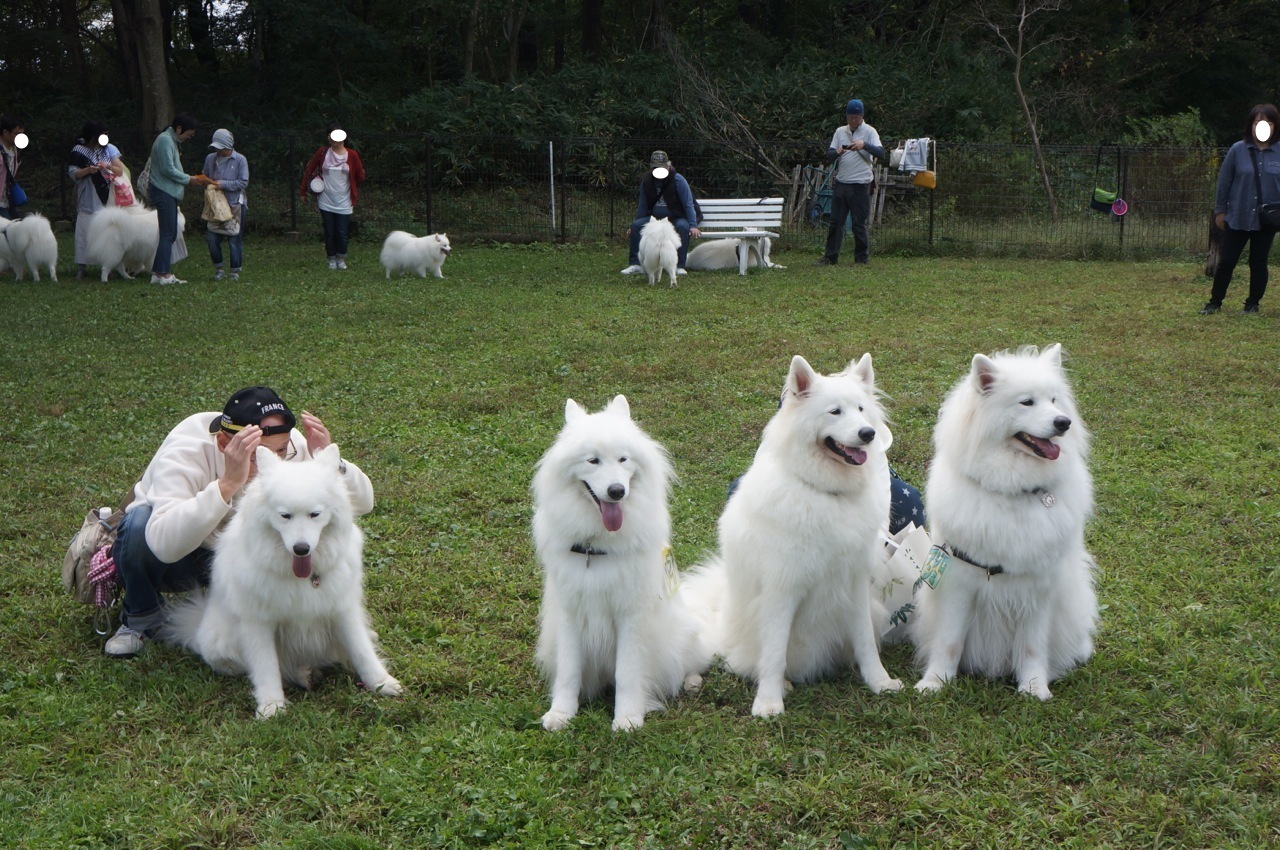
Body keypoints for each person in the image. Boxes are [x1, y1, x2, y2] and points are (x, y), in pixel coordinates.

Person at [103, 387, 376, 657]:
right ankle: (139, 619)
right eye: (256, 455)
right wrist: (227, 484)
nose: (275, 461)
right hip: (180, 559)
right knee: (138, 524)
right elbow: (163, 545)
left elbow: (364, 503)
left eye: (281, 450)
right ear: (224, 443)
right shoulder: (187, 449)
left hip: (239, 561)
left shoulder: (287, 444)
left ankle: (289, 622)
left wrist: (330, 463)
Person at [1202, 103, 1280, 315]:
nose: (1263, 126)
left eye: (1268, 122)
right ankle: (1214, 302)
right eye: (1258, 122)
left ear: (1274, 126)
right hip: (1238, 215)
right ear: (1251, 125)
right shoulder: (1238, 150)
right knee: (1227, 261)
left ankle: (1252, 303)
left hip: (1267, 219)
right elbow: (1224, 182)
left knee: (1258, 262)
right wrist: (1220, 210)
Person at [815, 99, 885, 267]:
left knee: (858, 223)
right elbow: (830, 155)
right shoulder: (840, 132)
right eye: (850, 117)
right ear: (846, 116)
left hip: (860, 184)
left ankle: (861, 259)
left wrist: (864, 145)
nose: (853, 120)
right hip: (841, 182)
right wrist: (837, 152)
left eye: (856, 117)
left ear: (861, 117)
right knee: (835, 222)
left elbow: (881, 153)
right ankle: (830, 257)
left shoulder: (870, 131)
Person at [148, 113, 213, 285]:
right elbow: (167, 169)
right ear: (178, 129)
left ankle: (158, 273)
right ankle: (164, 274)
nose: (189, 138)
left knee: (169, 233)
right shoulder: (165, 141)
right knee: (168, 234)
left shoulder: (171, 141)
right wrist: (189, 179)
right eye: (188, 134)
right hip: (163, 191)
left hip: (167, 191)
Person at [620, 150, 700, 277]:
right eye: (655, 167)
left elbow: (688, 204)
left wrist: (693, 225)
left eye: (661, 167)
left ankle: (679, 266)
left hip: (676, 217)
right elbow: (643, 205)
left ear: (668, 165)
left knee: (683, 227)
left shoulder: (678, 180)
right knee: (636, 226)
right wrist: (635, 223)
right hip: (654, 219)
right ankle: (635, 264)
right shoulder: (647, 181)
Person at [300, 124, 366, 270]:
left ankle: (341, 258)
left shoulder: (352, 155)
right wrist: (303, 191)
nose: (332, 139)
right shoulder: (322, 152)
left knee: (342, 232)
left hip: (344, 200)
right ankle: (331, 259)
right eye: (330, 135)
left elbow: (360, 176)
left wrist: (359, 173)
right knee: (329, 232)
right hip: (325, 199)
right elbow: (309, 170)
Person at [68, 121, 125, 279]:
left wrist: (108, 166)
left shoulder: (109, 149)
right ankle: (82, 266)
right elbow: (73, 173)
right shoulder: (78, 150)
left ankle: (108, 265)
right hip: (88, 195)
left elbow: (119, 170)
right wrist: (88, 170)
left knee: (107, 232)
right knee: (84, 231)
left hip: (106, 195)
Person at [202, 128, 249, 281]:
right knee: (212, 238)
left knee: (234, 238)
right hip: (215, 205)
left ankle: (235, 271)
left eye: (220, 147)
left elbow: (243, 182)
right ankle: (219, 269)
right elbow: (205, 175)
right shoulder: (210, 158)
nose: (217, 150)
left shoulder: (240, 160)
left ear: (227, 146)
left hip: (235, 204)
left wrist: (223, 184)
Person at [1, 115, 26, 220]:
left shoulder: (14, 149)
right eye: (17, 134)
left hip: (7, 200)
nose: (20, 137)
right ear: (6, 132)